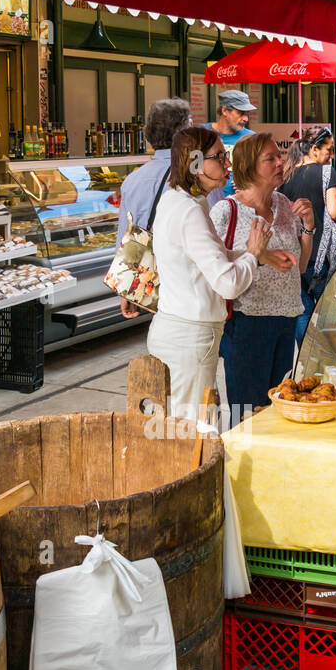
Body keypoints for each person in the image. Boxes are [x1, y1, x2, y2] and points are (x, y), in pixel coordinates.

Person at [148, 126, 294, 421]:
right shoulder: (190, 210)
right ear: (195, 164)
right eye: (219, 157)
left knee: (194, 428)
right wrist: (253, 253)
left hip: (185, 334)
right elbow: (227, 284)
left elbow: (210, 258)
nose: (227, 164)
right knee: (193, 434)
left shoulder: (182, 200)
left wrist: (259, 256)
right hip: (189, 338)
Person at [210, 134, 311, 424]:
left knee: (277, 411)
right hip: (247, 323)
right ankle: (241, 466)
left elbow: (300, 267)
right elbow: (212, 268)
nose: (280, 162)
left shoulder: (283, 204)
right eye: (270, 158)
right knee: (246, 415)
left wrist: (309, 228)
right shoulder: (226, 212)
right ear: (249, 167)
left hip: (286, 320)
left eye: (279, 156)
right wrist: (256, 255)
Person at [115, 97, 191, 320]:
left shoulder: (132, 180)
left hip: (148, 279)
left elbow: (125, 238)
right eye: (190, 124)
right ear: (180, 130)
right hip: (188, 281)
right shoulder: (195, 176)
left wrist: (126, 288)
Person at [279, 125, 336, 343]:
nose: (331, 155)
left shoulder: (286, 175)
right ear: (314, 149)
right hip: (321, 256)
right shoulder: (327, 172)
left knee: (303, 312)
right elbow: (333, 212)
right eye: (329, 149)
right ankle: (326, 358)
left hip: (296, 255)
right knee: (327, 312)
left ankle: (304, 361)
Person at [206, 89, 257, 205]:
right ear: (225, 110)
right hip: (207, 206)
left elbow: (263, 175)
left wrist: (250, 186)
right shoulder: (202, 133)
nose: (246, 119)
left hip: (239, 208)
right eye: (241, 113)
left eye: (247, 114)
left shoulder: (252, 138)